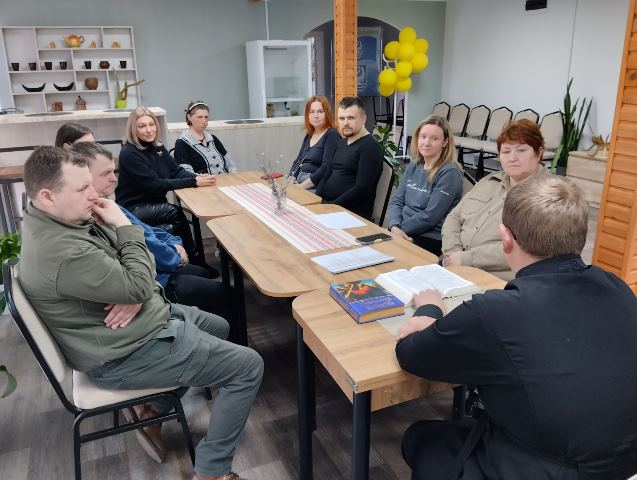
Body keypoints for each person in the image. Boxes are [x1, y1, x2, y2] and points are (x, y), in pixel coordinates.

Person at [19, 146, 261, 480]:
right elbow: (137, 276)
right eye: (82, 188)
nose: (94, 195)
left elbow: (137, 272)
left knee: (218, 326)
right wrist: (124, 233)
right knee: (248, 366)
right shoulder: (64, 251)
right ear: (48, 196)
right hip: (123, 352)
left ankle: (154, 411)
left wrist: (136, 287)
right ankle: (212, 470)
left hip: (133, 326)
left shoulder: (59, 220)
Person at [396, 176, 637, 480]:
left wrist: (430, 311)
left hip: (543, 466)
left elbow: (411, 355)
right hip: (623, 463)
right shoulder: (616, 286)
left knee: (419, 438)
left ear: (505, 239)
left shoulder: (495, 311)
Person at [69, 141, 229, 319]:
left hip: (156, 270)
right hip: (156, 280)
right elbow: (147, 247)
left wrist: (174, 242)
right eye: (106, 173)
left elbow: (147, 230)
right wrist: (175, 255)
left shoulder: (107, 204)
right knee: (226, 294)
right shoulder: (99, 215)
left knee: (203, 274)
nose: (114, 178)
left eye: (114, 172)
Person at [441, 119, 548, 280]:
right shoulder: (489, 181)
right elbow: (454, 217)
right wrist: (453, 251)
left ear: (539, 153)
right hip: (454, 265)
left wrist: (466, 259)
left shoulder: (550, 196)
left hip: (494, 280)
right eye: (506, 151)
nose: (512, 158)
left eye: (521, 150)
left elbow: (525, 249)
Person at [115, 107, 216, 265]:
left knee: (175, 214)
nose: (149, 130)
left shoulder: (158, 147)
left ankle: (185, 259)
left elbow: (175, 171)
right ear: (133, 129)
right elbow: (155, 185)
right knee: (174, 212)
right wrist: (194, 182)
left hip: (153, 203)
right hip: (133, 208)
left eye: (151, 124)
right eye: (142, 126)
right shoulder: (129, 153)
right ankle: (195, 259)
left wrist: (196, 177)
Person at [386, 115, 463, 255]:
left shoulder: (449, 173)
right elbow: (397, 200)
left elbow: (430, 216)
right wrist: (394, 225)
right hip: (401, 230)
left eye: (434, 138)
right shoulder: (414, 165)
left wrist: (399, 229)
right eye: (423, 136)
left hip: (429, 237)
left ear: (445, 142)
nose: (426, 143)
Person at [315, 96, 383, 219]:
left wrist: (331, 206)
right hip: (329, 207)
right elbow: (326, 174)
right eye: (342, 118)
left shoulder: (370, 147)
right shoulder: (342, 143)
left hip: (351, 214)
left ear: (363, 119)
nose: (345, 123)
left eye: (351, 118)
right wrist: (316, 199)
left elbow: (361, 189)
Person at [288, 95, 340, 191]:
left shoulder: (332, 135)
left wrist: (300, 187)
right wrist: (290, 179)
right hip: (299, 181)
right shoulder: (309, 135)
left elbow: (326, 168)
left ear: (327, 114)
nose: (316, 116)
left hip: (314, 186)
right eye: (311, 112)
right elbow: (298, 161)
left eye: (320, 111)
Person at [174, 101, 239, 175]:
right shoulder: (182, 143)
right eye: (199, 117)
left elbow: (230, 162)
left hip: (226, 179)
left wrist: (233, 175)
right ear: (189, 117)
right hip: (205, 182)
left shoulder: (212, 138)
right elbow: (186, 172)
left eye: (206, 117)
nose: (204, 121)